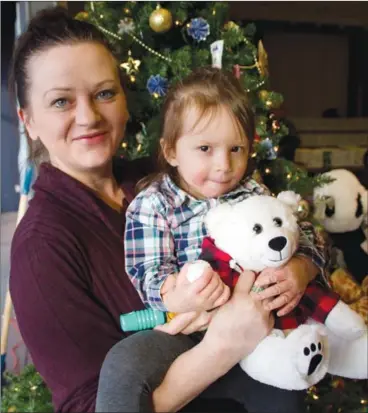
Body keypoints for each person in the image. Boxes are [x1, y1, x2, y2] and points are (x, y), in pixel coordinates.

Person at [8, 7, 277, 413]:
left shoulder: (169, 177)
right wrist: (222, 348)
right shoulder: (41, 246)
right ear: (27, 120)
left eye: (103, 93)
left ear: (124, 99)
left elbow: (270, 221)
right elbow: (87, 406)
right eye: (62, 101)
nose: (89, 117)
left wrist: (296, 269)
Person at [124, 67, 328, 411]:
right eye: (205, 148)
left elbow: (302, 234)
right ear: (172, 151)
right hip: (190, 339)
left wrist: (301, 268)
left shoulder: (252, 191)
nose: (224, 165)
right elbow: (149, 272)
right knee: (132, 368)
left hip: (259, 334)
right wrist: (177, 293)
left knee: (285, 394)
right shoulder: (154, 204)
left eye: (236, 149)